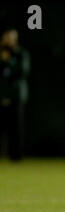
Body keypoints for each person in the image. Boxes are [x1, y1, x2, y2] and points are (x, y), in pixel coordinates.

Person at [0, 26, 30, 160]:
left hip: (16, 97)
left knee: (16, 128)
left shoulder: (21, 53)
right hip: (2, 95)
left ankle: (16, 156)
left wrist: (9, 61)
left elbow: (23, 71)